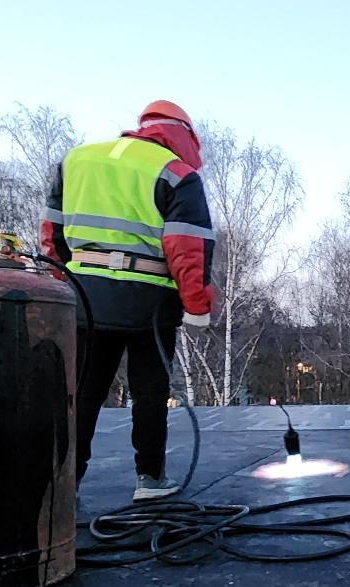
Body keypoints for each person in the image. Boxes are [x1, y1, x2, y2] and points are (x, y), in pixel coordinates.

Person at [40, 101, 215, 501]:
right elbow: (187, 247)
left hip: (86, 297)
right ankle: (149, 480)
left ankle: (64, 485)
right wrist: (197, 306)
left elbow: (52, 233)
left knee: (82, 394)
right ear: (185, 136)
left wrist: (65, 281)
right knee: (150, 392)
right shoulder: (175, 174)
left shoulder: (78, 160)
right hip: (148, 302)